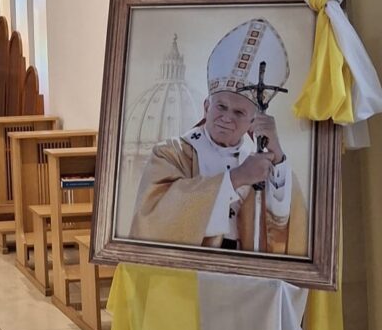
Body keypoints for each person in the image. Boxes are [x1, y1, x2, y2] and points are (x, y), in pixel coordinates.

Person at [130, 17, 307, 255]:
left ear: (252, 122)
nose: (226, 117)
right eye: (221, 107)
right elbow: (151, 219)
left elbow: (281, 227)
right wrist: (236, 178)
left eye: (239, 112)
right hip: (193, 268)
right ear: (206, 107)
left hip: (242, 267)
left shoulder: (257, 160)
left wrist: (277, 157)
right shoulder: (171, 154)